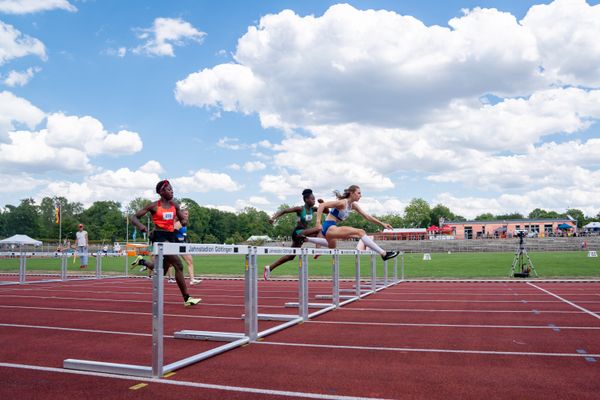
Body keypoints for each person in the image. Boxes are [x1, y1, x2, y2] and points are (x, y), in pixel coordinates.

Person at [129, 179, 201, 307]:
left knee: (161, 271)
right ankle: (187, 298)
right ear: (161, 192)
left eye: (172, 189)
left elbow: (182, 220)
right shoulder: (154, 206)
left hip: (171, 236)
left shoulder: (175, 205)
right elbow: (134, 217)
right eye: (169, 189)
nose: (172, 191)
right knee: (178, 265)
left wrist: (184, 221)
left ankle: (142, 261)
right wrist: (141, 226)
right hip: (159, 237)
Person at [311, 185, 399, 261]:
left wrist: (382, 224)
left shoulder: (353, 205)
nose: (360, 196)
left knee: (332, 246)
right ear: (351, 193)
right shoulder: (342, 203)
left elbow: (367, 216)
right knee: (360, 232)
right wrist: (318, 222)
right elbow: (322, 205)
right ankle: (384, 254)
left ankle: (307, 239)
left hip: (331, 229)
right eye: (359, 193)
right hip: (329, 226)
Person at [263, 188, 327, 280]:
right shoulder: (300, 209)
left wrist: (323, 203)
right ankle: (317, 251)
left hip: (304, 234)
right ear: (306, 200)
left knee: (291, 256)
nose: (314, 200)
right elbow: (284, 211)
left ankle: (269, 268)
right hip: (298, 233)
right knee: (319, 228)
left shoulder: (313, 209)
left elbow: (327, 212)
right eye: (312, 199)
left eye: (314, 199)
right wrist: (273, 218)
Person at [166, 208, 202, 285]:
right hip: (176, 246)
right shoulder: (178, 223)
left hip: (182, 245)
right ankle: (169, 277)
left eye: (188, 214)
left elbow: (182, 235)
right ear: (181, 214)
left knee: (189, 261)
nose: (187, 215)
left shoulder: (184, 223)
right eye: (185, 214)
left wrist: (185, 239)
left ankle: (192, 279)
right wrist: (177, 241)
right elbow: (172, 234)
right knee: (170, 263)